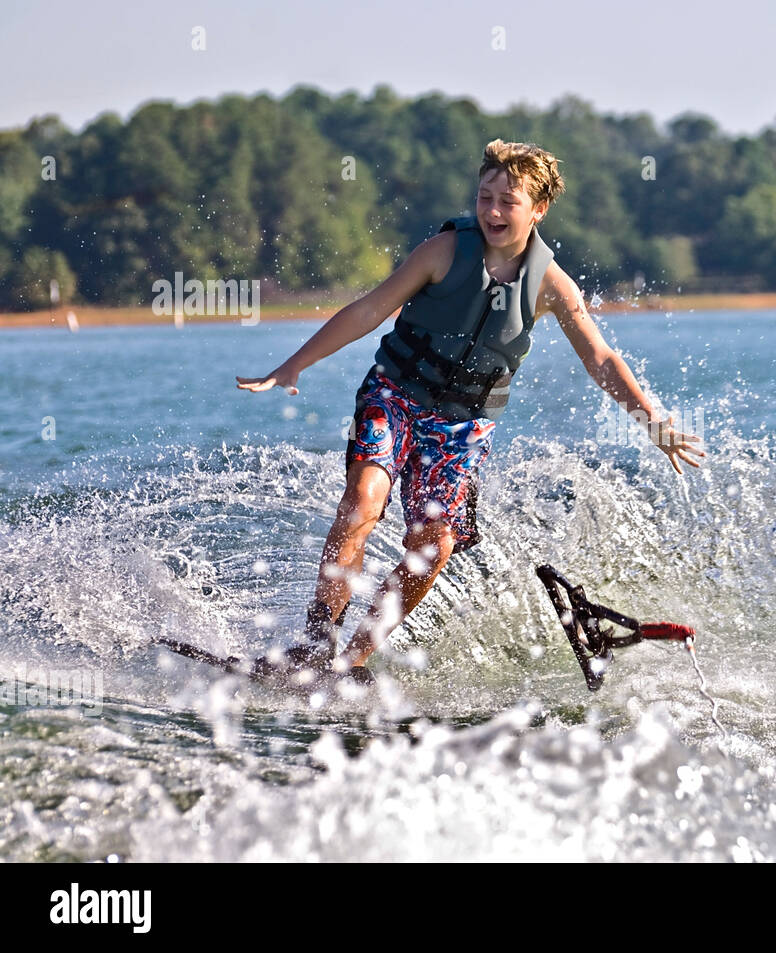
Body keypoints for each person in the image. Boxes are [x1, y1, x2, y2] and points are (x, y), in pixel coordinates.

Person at [235, 139, 705, 682]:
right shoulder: (442, 252)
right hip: (395, 397)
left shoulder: (550, 285)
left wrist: (653, 422)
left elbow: (600, 357)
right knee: (363, 501)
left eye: (509, 200)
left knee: (432, 551)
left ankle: (352, 661)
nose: (494, 211)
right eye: (486, 197)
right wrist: (295, 364)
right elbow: (368, 309)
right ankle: (316, 644)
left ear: (538, 209)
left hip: (461, 427)